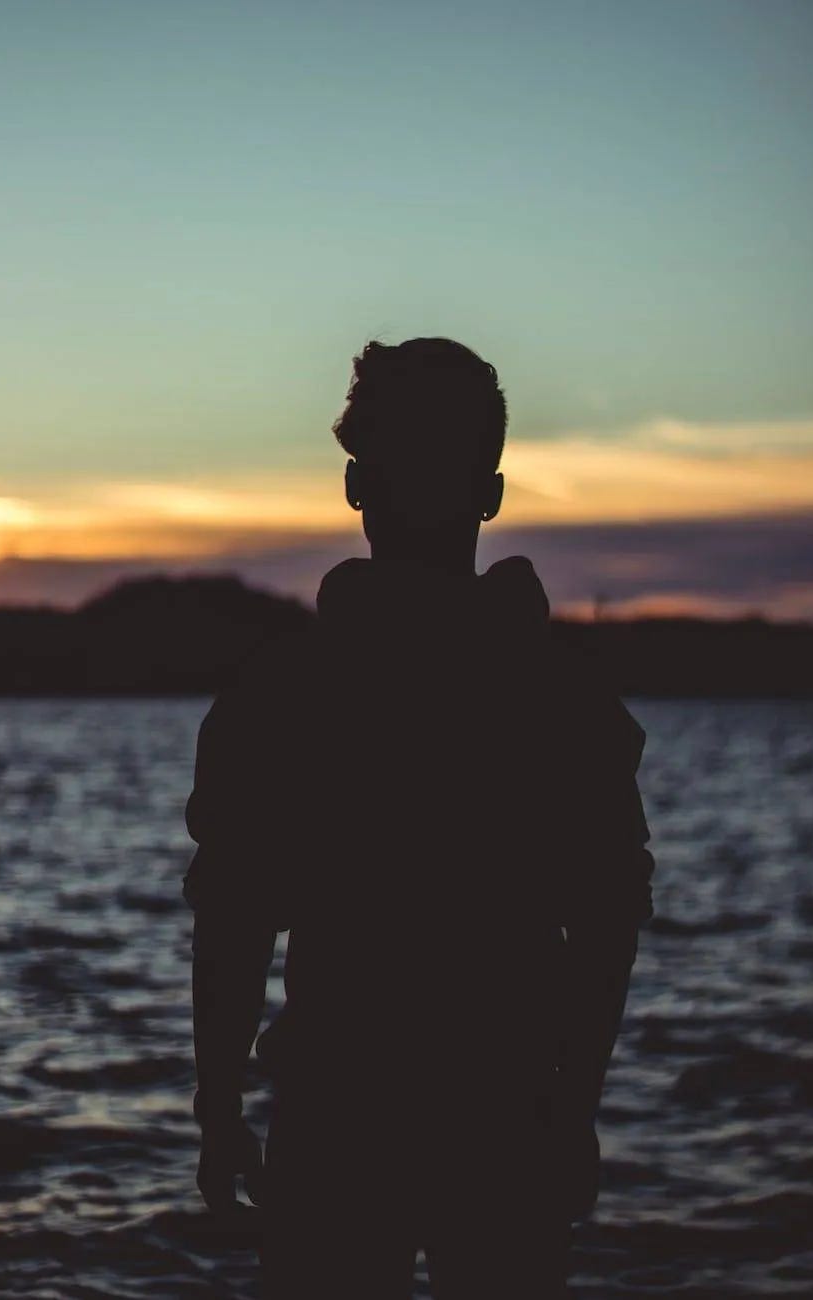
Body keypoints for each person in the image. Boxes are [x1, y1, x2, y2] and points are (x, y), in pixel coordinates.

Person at [182, 337, 655, 1298]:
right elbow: (608, 919)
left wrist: (220, 1106)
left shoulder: (283, 694)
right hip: (506, 1116)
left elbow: (233, 918)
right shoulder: (561, 697)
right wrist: (573, 1109)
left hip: (340, 1120)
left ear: (356, 485)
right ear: (491, 493)